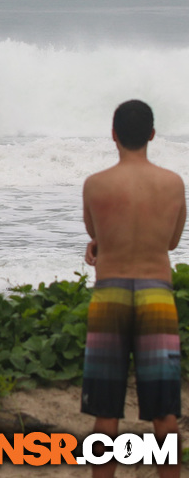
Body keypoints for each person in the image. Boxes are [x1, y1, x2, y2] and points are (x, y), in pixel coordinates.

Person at [81, 99, 185, 478]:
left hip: (109, 294)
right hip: (156, 294)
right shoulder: (173, 183)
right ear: (153, 135)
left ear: (113, 134)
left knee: (106, 412)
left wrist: (96, 247)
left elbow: (97, 235)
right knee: (164, 413)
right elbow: (171, 242)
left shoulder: (95, 184)